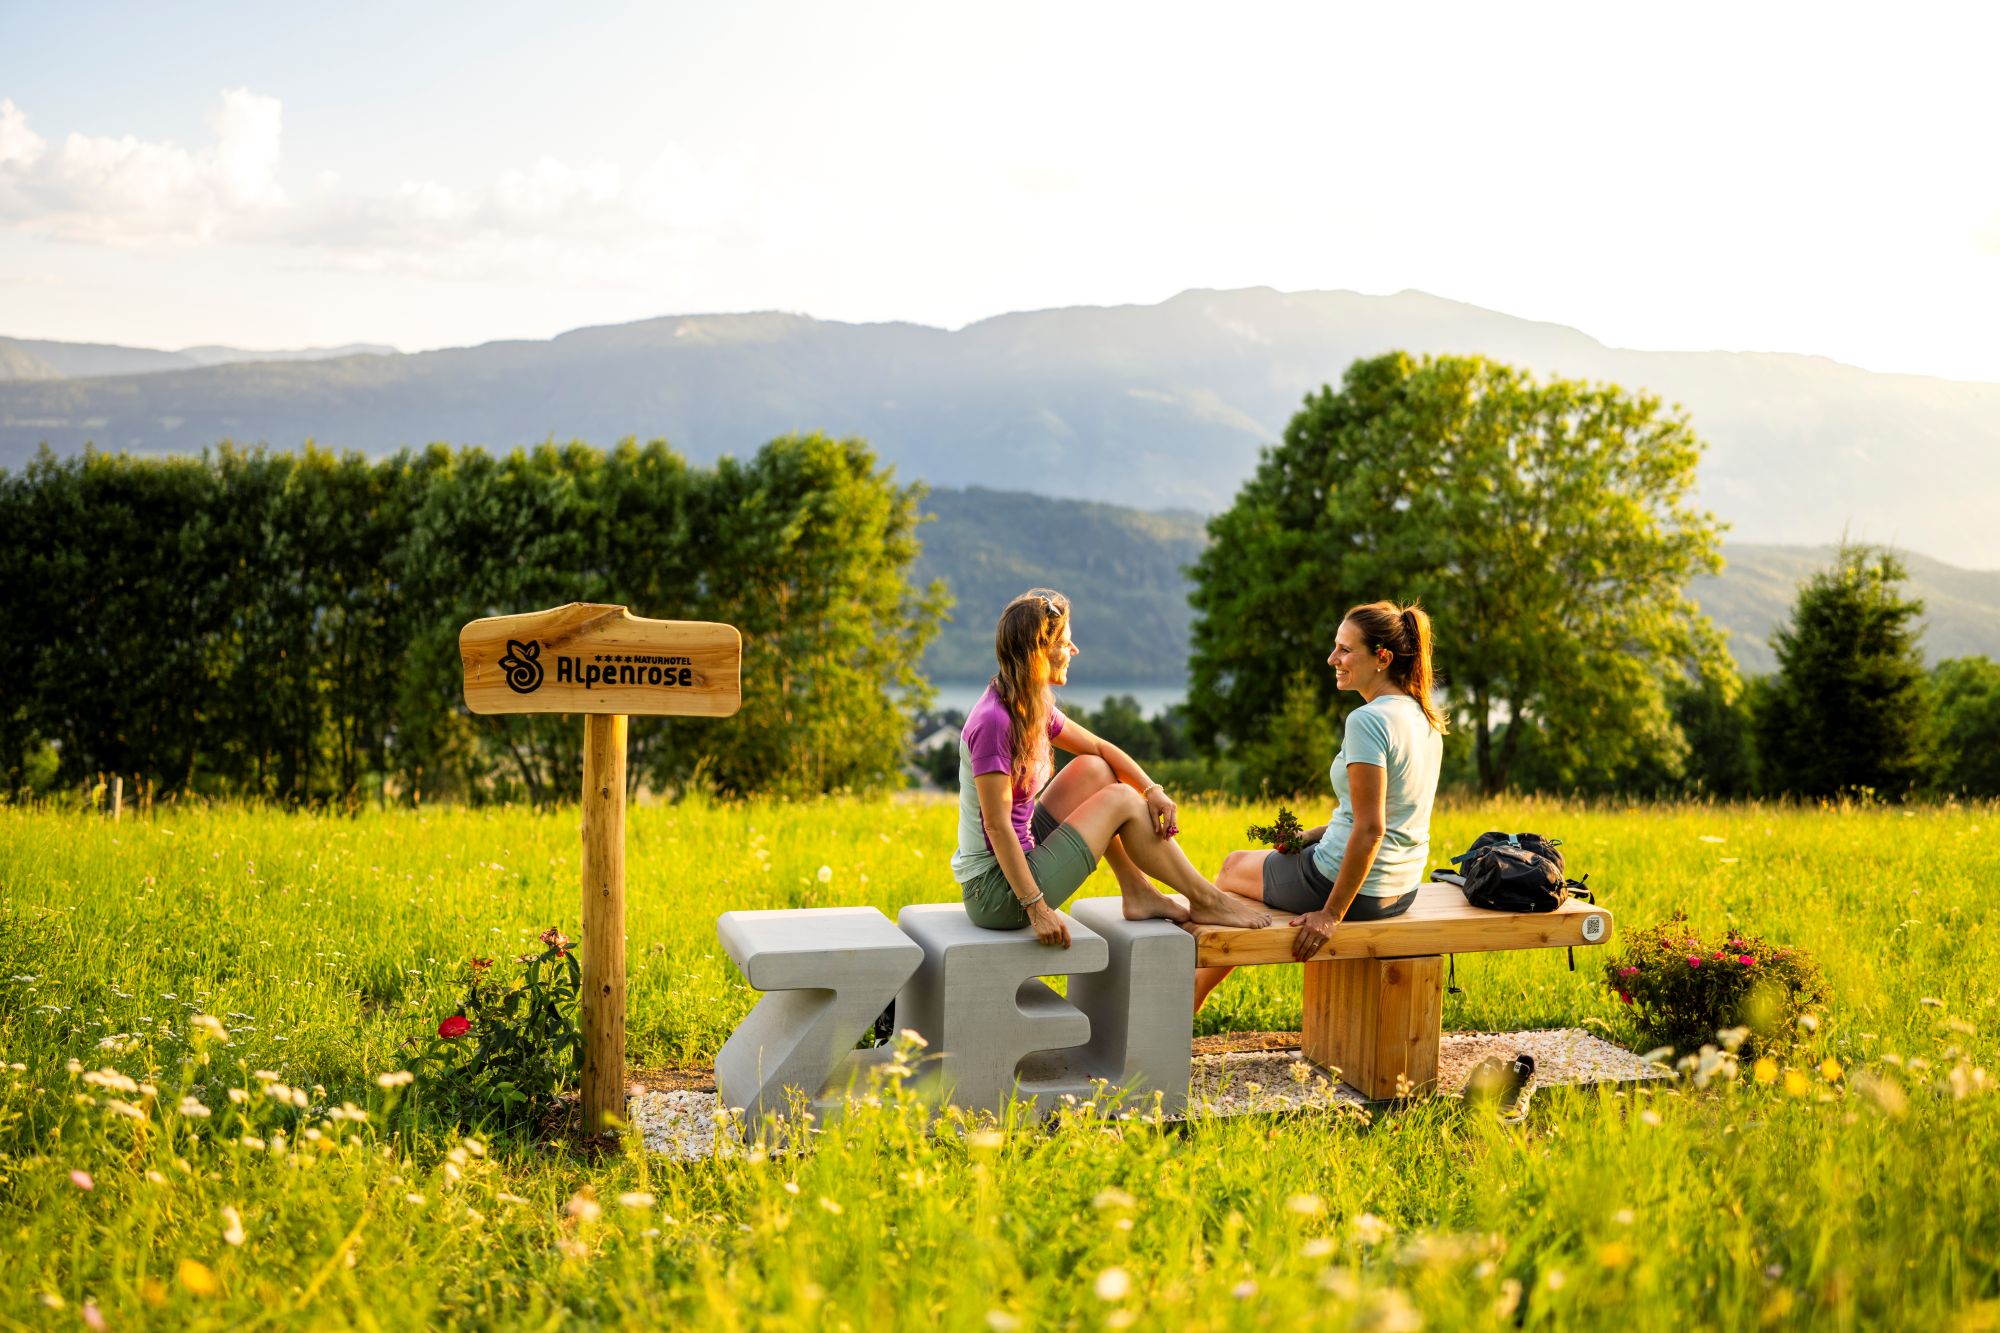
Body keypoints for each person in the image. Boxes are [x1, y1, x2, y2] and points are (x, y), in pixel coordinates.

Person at [952, 589, 1273, 947]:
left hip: (1023, 851)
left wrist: (1153, 790)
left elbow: (1100, 748)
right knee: (1121, 799)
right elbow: (996, 827)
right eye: (1066, 643)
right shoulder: (995, 721)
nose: (1074, 651)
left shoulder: (1027, 704)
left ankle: (1138, 892)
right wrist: (1037, 908)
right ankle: (1207, 899)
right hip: (996, 892)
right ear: (1041, 651)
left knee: (1095, 769)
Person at [1194, 601, 1447, 1007]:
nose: (1333, 659)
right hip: (1401, 890)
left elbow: (1371, 828)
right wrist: (1310, 836)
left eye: (1345, 650)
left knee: (1231, 868)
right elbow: (1389, 814)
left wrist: (1330, 915)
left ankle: (1194, 992)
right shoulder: (1423, 717)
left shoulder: (1368, 720)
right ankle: (1196, 989)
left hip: (1347, 887)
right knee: (1253, 872)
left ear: (1382, 659)